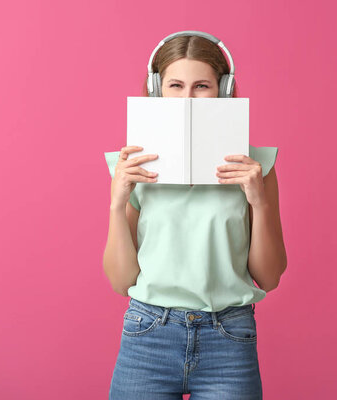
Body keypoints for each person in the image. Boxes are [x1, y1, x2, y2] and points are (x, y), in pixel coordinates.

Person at [103, 31, 287, 399]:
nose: (187, 98)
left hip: (229, 339)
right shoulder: (134, 167)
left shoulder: (255, 167)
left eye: (201, 85)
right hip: (148, 336)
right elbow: (121, 281)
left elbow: (268, 277)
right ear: (157, 90)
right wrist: (117, 200)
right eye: (175, 85)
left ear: (223, 88)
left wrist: (258, 202)